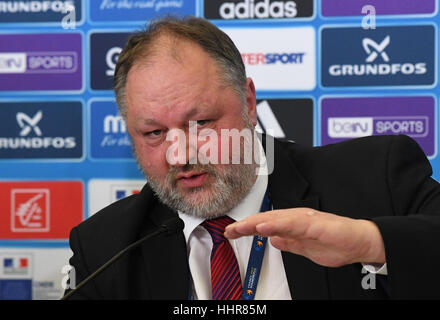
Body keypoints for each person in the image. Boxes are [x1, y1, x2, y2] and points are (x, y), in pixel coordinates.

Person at [64, 16, 440, 300]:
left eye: (201, 123)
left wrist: (369, 243)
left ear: (247, 101)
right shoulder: (105, 248)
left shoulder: (375, 177)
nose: (180, 155)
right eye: (154, 134)